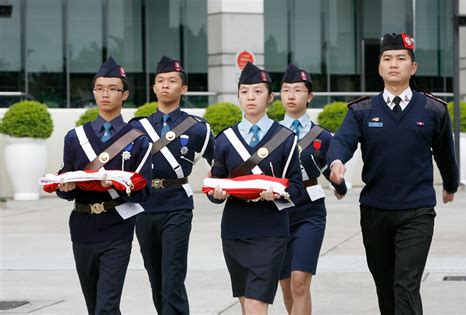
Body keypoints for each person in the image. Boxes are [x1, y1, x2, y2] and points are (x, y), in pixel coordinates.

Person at [327, 33, 459, 314]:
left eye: (401, 59)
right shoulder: (362, 110)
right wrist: (336, 161)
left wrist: (449, 184)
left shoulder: (433, 109)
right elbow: (342, 141)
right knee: (385, 286)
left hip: (417, 211)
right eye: (387, 59)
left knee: (406, 284)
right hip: (375, 211)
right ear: (379, 68)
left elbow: (445, 153)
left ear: (413, 67)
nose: (393, 64)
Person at [56, 57, 153, 315]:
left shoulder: (138, 140)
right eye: (99, 88)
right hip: (82, 225)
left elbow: (143, 193)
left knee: (106, 306)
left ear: (125, 94)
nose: (105, 94)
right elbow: (69, 180)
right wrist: (63, 187)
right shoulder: (75, 137)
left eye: (112, 88)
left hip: (117, 226)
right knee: (94, 305)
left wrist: (119, 183)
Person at [207, 62, 304, 315]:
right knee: (244, 301)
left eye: (258, 91)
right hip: (235, 228)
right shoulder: (225, 139)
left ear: (270, 97)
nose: (251, 97)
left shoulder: (285, 138)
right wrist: (216, 194)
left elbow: (296, 187)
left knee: (255, 302)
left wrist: (279, 193)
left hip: (271, 229)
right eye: (245, 91)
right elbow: (217, 184)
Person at [129, 56, 214, 315]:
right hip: (144, 206)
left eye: (172, 81)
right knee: (156, 280)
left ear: (184, 89)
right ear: (154, 88)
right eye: (160, 81)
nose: (166, 86)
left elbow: (221, 163)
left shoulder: (199, 128)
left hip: (177, 205)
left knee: (173, 278)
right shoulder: (137, 127)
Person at [278, 63, 347, 314]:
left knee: (299, 281)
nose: (291, 96)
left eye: (297, 90)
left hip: (310, 212)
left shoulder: (324, 136)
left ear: (310, 96)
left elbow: (338, 185)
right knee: (285, 284)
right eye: (286, 90)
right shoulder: (271, 134)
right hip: (279, 211)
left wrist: (339, 182)